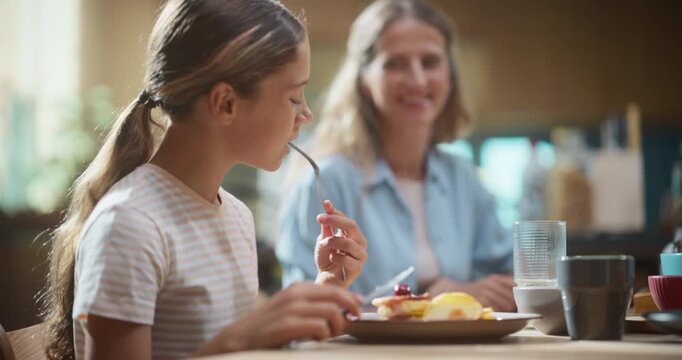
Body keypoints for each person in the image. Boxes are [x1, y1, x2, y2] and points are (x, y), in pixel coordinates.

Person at [40, 1, 369, 359]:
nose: (307, 114)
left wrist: (322, 293)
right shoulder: (129, 225)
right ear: (226, 103)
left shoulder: (236, 216)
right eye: (294, 96)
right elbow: (234, 347)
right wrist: (239, 340)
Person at [277, 0, 515, 312]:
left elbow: (513, 278)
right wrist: (438, 300)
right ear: (363, 80)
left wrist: (474, 292)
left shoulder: (463, 177)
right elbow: (301, 311)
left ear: (450, 75)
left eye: (430, 62)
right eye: (396, 64)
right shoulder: (327, 180)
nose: (417, 80)